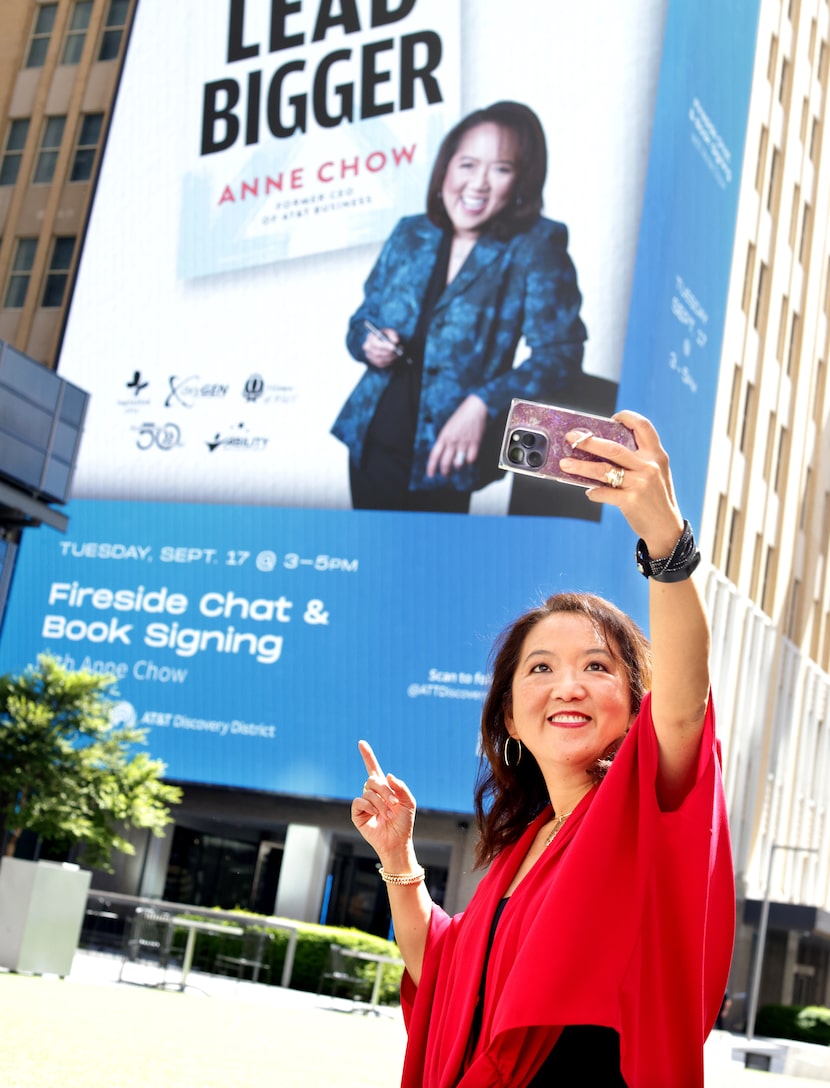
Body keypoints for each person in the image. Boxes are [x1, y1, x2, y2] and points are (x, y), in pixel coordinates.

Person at [351, 412, 735, 1087]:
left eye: (597, 667)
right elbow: (442, 971)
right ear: (509, 717)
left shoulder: (648, 812)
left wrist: (665, 542)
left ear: (636, 704)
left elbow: (685, 707)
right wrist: (397, 858)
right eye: (540, 669)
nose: (568, 687)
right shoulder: (521, 847)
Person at [331, 101, 587, 513]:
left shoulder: (536, 247)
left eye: (501, 169)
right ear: (446, 168)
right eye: (467, 164)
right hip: (370, 442)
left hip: (443, 458)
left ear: (521, 180)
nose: (479, 183)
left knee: (424, 573)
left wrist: (482, 403)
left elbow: (561, 355)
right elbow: (360, 322)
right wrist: (369, 343)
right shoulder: (411, 233)